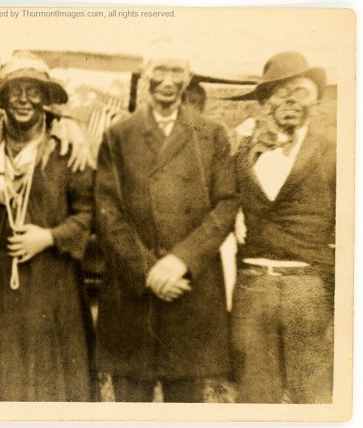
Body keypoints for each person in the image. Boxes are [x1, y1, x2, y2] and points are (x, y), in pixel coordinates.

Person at [94, 41, 238, 402]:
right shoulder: (119, 134)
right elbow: (107, 209)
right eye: (160, 69)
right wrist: (148, 270)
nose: (168, 80)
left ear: (188, 77)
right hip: (133, 293)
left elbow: (226, 204)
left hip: (189, 291)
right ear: (145, 75)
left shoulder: (211, 134)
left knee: (185, 404)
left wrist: (180, 261)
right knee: (131, 405)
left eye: (177, 71)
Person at [0, 53, 94, 401]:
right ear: (3, 99)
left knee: (53, 381)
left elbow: (89, 214)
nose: (24, 99)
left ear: (46, 99)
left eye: (34, 91)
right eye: (16, 91)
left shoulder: (68, 152)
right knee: (4, 375)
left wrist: (50, 237)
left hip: (52, 283)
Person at [229, 51, 335, 403]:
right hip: (252, 286)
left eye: (300, 91)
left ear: (316, 100)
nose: (290, 100)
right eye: (279, 92)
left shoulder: (335, 153)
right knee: (256, 395)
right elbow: (220, 201)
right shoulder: (241, 153)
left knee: (315, 395)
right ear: (263, 102)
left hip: (307, 288)